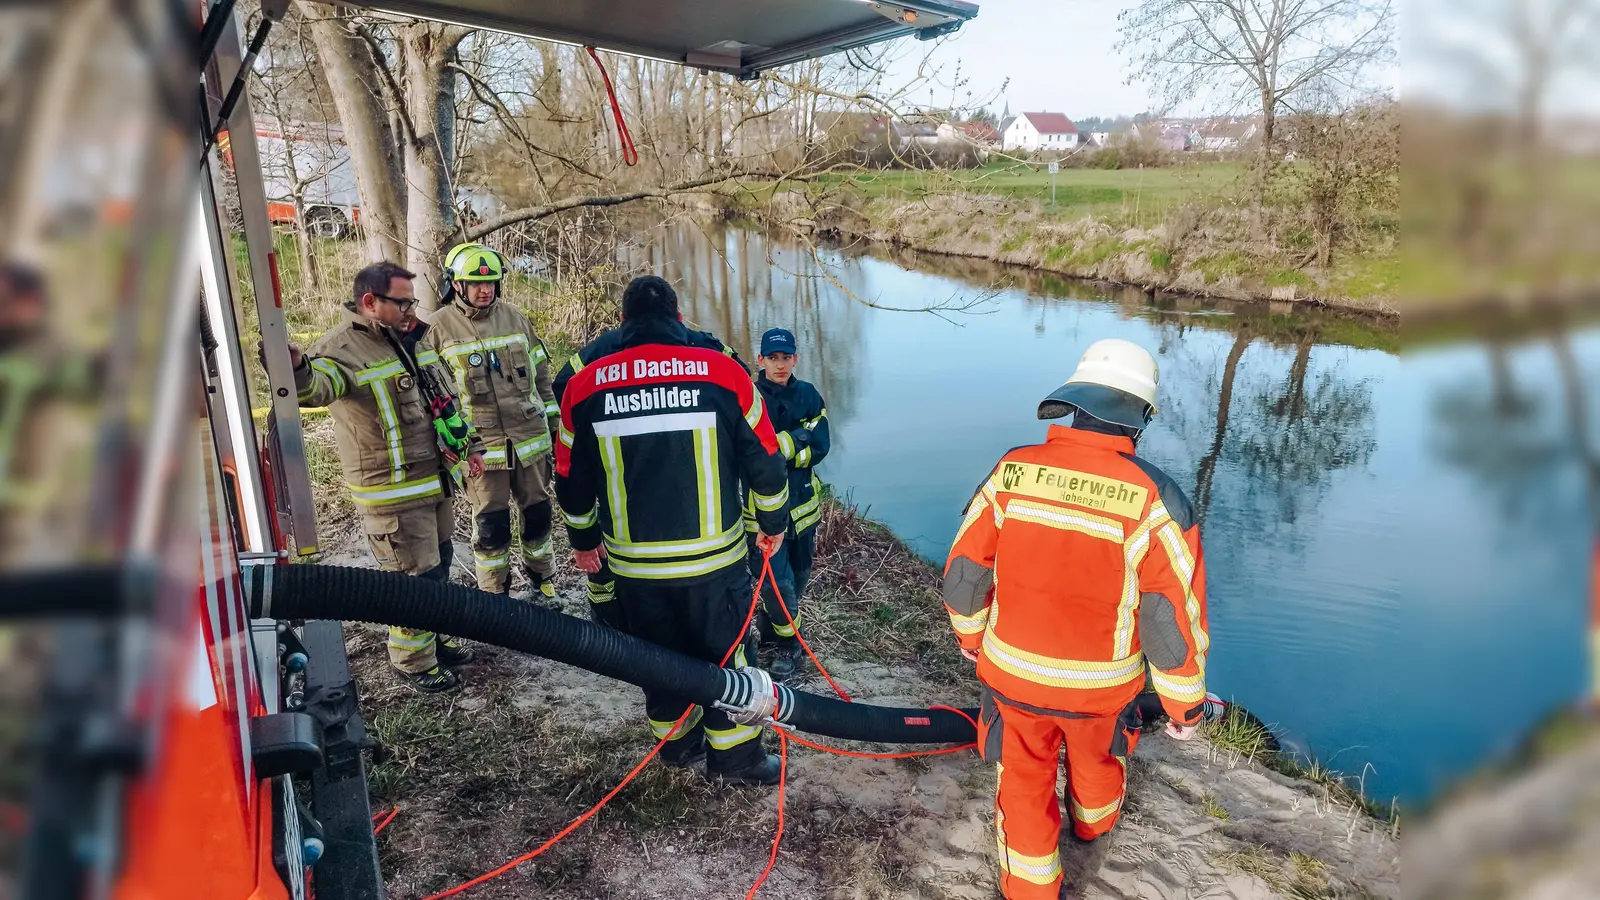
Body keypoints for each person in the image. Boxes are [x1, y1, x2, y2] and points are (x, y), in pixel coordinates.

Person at [942, 338, 1209, 899]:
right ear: (1138, 419)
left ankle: (1032, 889)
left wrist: (969, 636)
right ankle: (1094, 826)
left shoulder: (1013, 471)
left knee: (1021, 780)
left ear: (1073, 403)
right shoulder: (1156, 498)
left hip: (1013, 675)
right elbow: (1169, 617)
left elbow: (967, 570)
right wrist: (1183, 705)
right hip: (1100, 688)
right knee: (1097, 760)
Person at [555, 275, 791, 786]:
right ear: (680, 320)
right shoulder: (723, 373)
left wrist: (583, 540)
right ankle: (736, 760)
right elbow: (766, 463)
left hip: (635, 567)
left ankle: (678, 746)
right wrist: (771, 525)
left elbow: (571, 477)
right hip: (714, 563)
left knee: (656, 658)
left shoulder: (585, 385)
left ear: (623, 326)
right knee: (728, 656)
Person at [290, 261, 485, 694]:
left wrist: (469, 446)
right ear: (370, 303)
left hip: (433, 481)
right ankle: (413, 661)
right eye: (403, 302)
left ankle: (435, 638)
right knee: (412, 579)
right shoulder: (339, 350)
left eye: (412, 301)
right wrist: (297, 367)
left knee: (439, 563)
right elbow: (315, 389)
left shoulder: (413, 337)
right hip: (392, 492)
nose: (411, 309)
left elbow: (444, 397)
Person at [550, 296, 748, 629]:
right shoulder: (706, 350)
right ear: (678, 317)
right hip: (710, 544)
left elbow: (563, 387)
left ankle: (607, 618)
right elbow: (743, 388)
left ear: (624, 318)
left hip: (632, 538)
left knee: (651, 646)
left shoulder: (600, 352)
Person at [425, 242, 561, 603]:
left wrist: (554, 425)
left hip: (529, 438)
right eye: (475, 283)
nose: (485, 290)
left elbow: (541, 375)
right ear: (456, 284)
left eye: (491, 283)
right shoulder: (436, 329)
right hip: (480, 449)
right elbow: (433, 398)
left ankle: (543, 577)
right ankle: (493, 595)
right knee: (490, 524)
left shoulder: (515, 317)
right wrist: (450, 447)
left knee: (537, 512)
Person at [743, 327, 829, 680]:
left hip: (804, 509)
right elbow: (749, 453)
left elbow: (820, 445)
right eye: (773, 358)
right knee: (776, 585)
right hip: (762, 516)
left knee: (798, 578)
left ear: (796, 358)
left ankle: (770, 627)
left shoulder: (809, 395)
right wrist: (796, 440)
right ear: (760, 359)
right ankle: (790, 646)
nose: (780, 365)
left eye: (787, 357)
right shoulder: (747, 397)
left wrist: (776, 447)